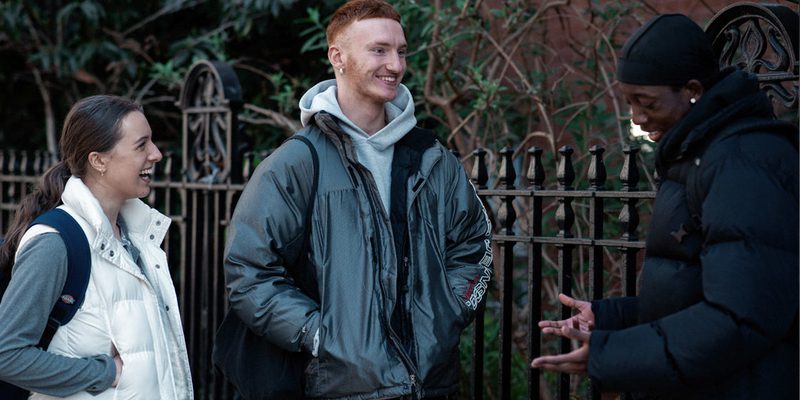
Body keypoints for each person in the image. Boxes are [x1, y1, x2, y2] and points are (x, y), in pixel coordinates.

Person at [222, 0, 493, 398]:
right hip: (341, 388)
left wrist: (446, 313)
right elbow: (249, 271)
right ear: (338, 56)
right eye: (379, 50)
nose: (395, 65)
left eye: (401, 52)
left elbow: (475, 243)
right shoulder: (297, 163)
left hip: (431, 385)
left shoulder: (433, 157)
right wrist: (319, 335)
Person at [530, 14, 798, 399]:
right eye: (630, 102)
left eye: (647, 102)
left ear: (692, 89)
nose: (637, 118)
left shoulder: (743, 161)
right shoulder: (701, 152)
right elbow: (698, 291)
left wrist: (614, 354)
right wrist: (612, 318)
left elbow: (741, 317)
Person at [0, 95, 194, 399]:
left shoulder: (140, 239)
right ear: (98, 160)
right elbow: (6, 355)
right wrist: (105, 373)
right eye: (141, 145)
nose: (156, 154)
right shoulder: (55, 242)